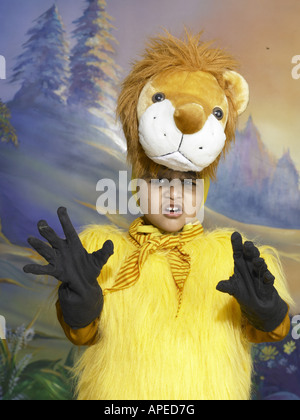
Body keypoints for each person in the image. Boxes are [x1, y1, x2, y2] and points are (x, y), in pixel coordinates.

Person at [23, 167, 293, 400]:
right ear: (136, 187)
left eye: (188, 183)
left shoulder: (229, 258)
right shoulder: (104, 255)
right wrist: (79, 303)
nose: (173, 194)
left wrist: (267, 313)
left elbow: (273, 332)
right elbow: (82, 336)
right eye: (159, 181)